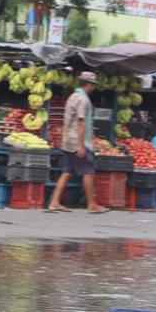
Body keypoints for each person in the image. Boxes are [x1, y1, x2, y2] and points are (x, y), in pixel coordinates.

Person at [46, 72, 103, 214]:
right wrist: (81, 145)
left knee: (67, 171)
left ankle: (54, 202)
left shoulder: (72, 97)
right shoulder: (83, 100)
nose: (94, 88)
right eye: (93, 85)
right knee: (88, 172)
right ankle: (92, 205)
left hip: (67, 140)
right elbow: (81, 122)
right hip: (76, 141)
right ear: (88, 85)